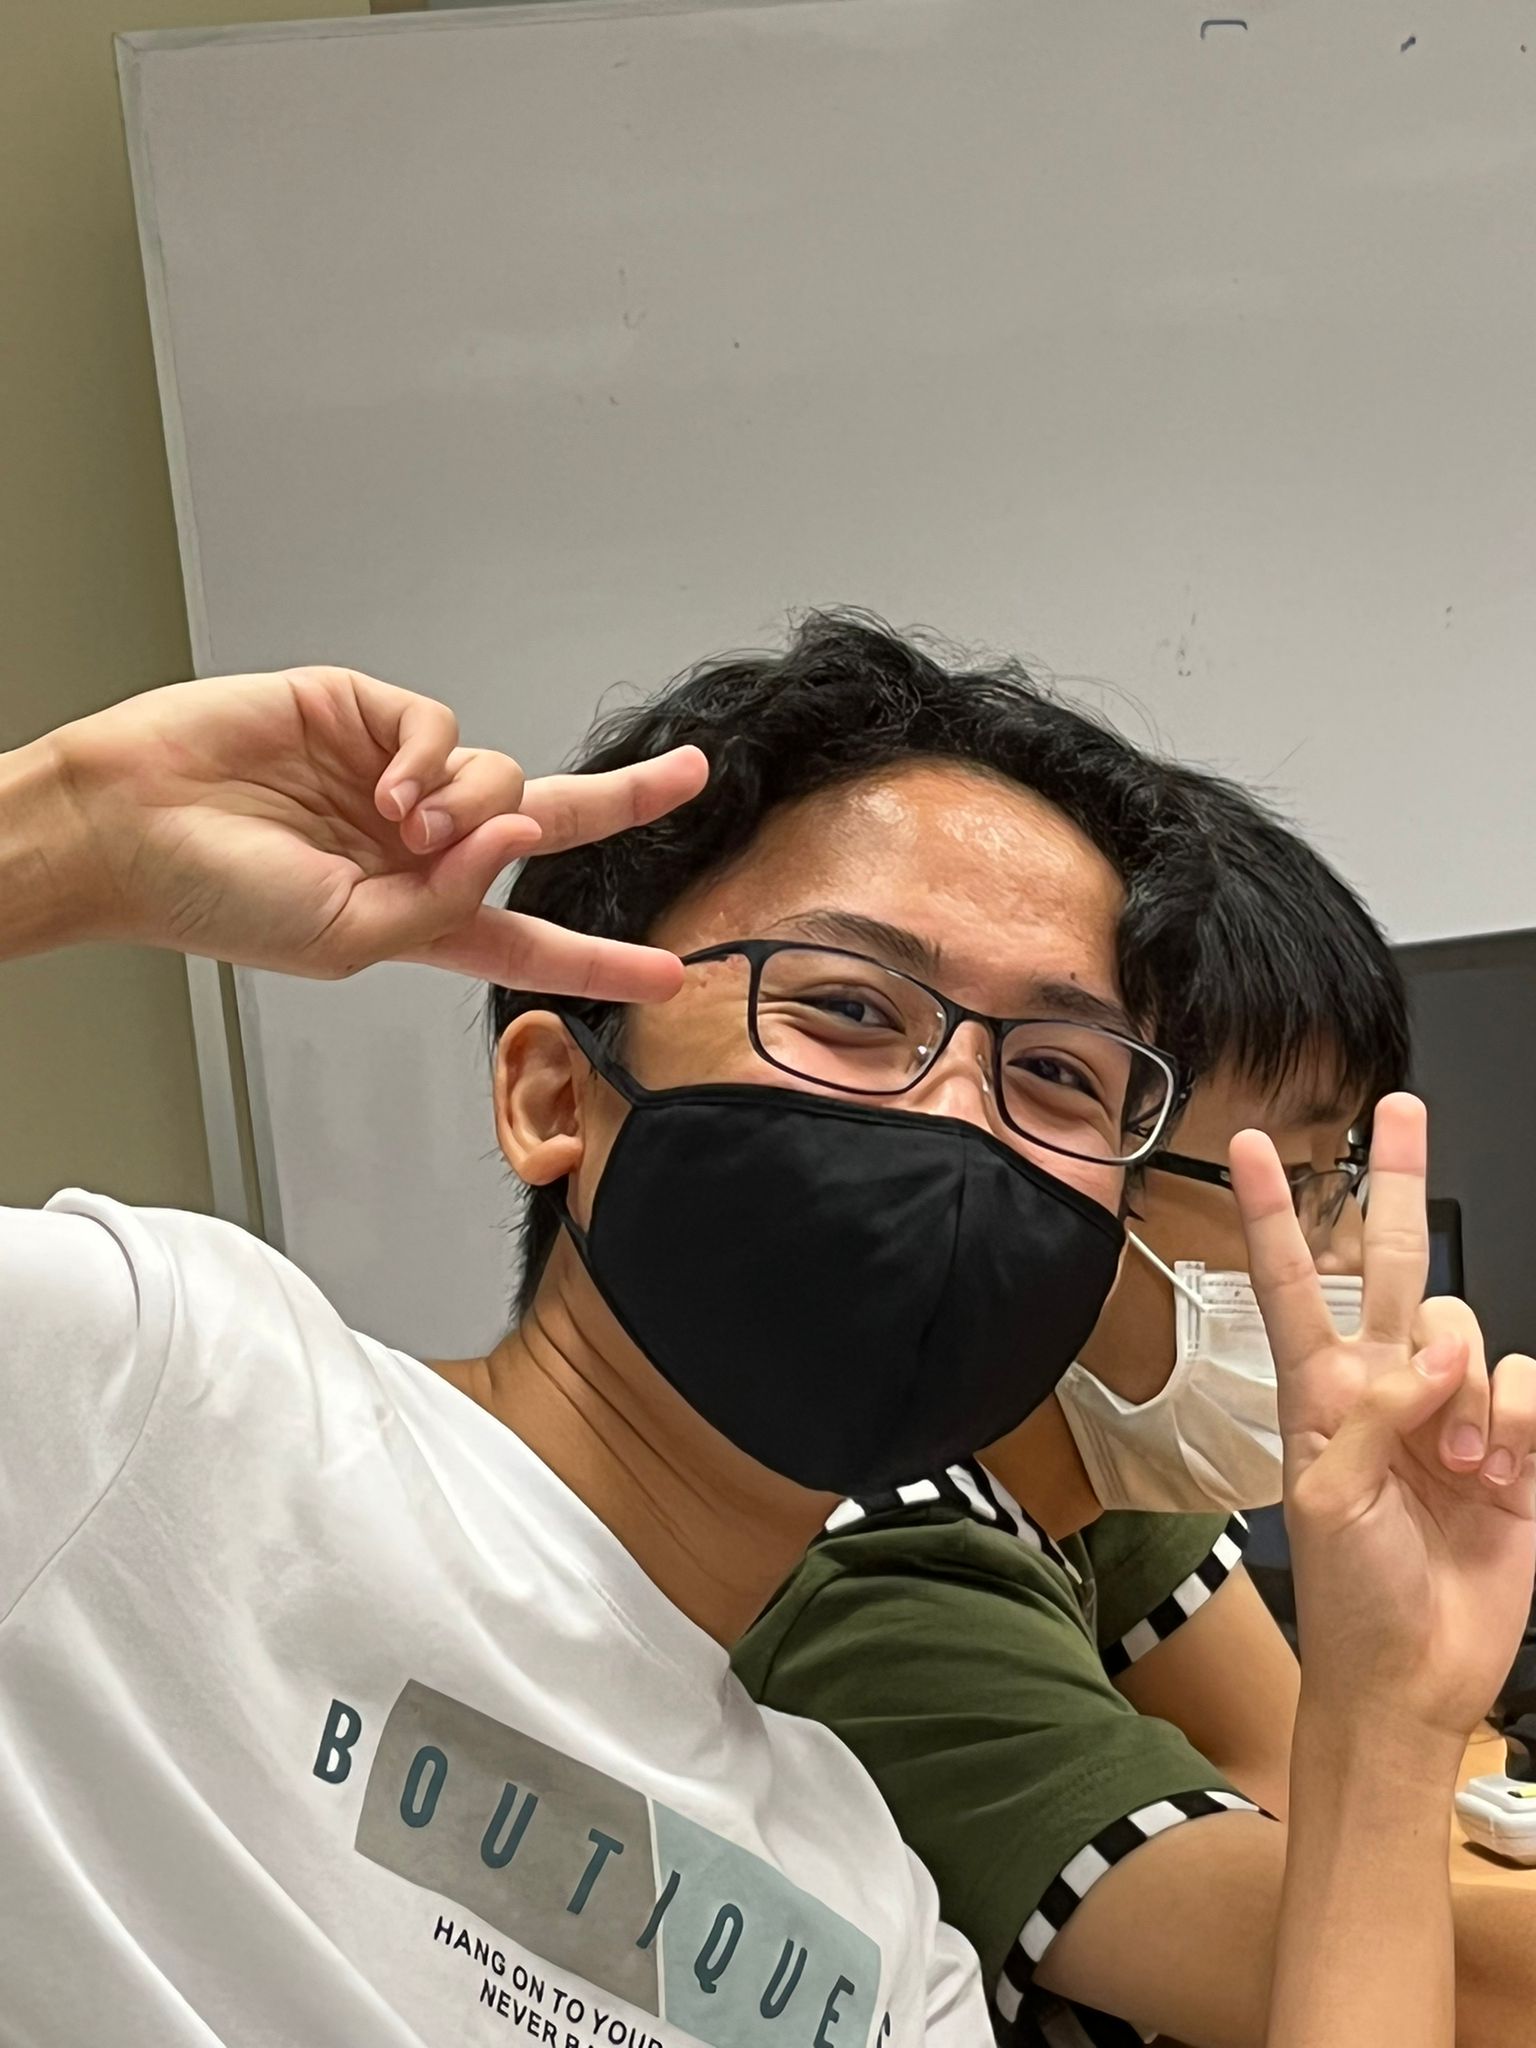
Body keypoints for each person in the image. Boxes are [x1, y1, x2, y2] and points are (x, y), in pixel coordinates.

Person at [1, 624, 1528, 2048]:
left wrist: (1394, 1723)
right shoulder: (160, 1393)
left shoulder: (868, 1915)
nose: (961, 1116)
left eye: (1059, 1074)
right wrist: (58, 837)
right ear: (555, 1097)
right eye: (852, 1010)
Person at [734, 786, 1535, 2046]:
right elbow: (1374, 1968)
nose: (1342, 1251)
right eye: (1302, 1182)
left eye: (1341, 1178)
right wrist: (1387, 1734)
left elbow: (1292, 1778)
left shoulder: (1090, 1463)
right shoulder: (877, 1583)